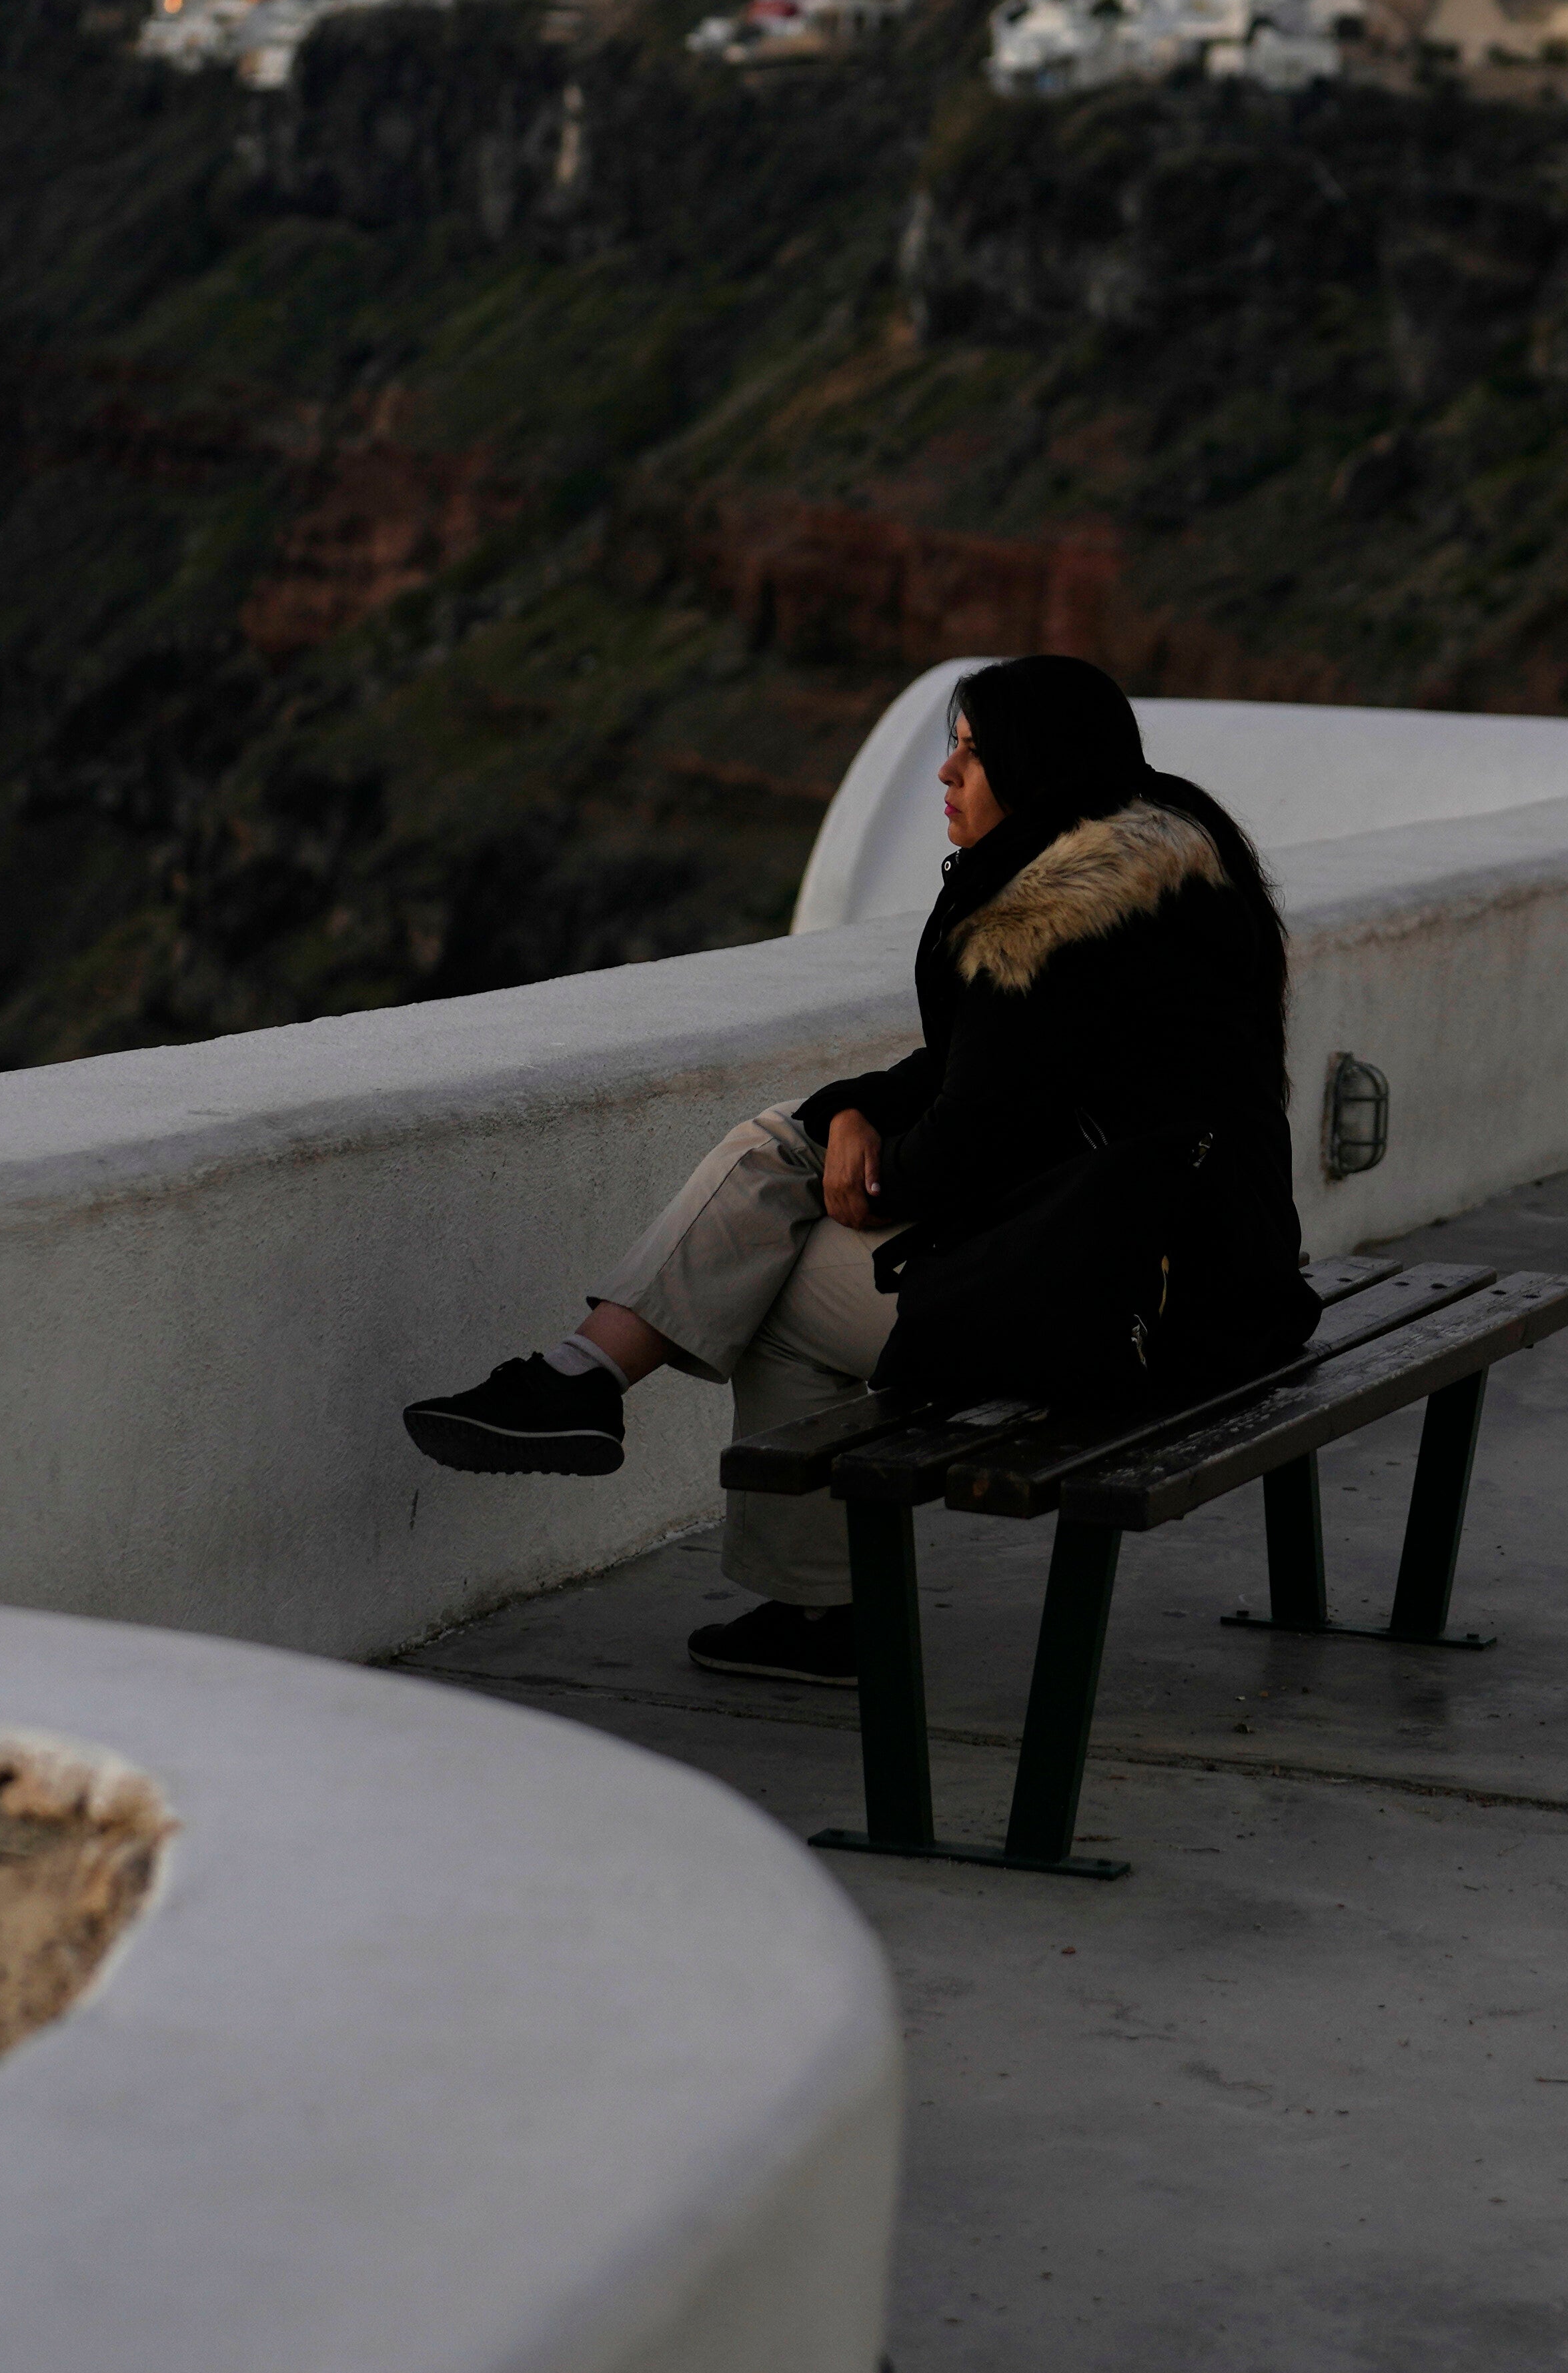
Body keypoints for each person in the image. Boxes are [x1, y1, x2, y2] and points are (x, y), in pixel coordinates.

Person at [399, 655, 1322, 1685]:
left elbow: (959, 1153)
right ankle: (588, 1382)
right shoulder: (1166, 879)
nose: (948, 776)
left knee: (776, 1287)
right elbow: (982, 1074)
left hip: (1141, 1318)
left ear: (1037, 763)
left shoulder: (1046, 928)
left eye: (973, 753)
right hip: (1218, 1280)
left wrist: (850, 1139)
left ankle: (799, 1598)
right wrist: (849, 1112)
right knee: (779, 1172)